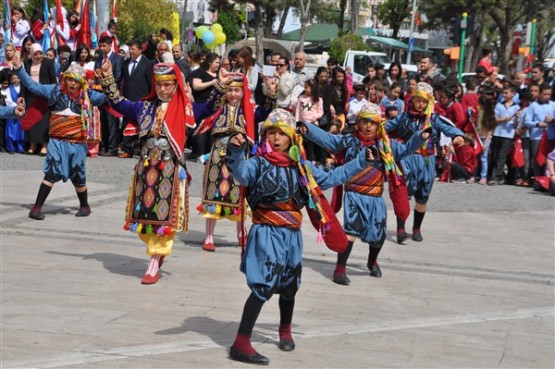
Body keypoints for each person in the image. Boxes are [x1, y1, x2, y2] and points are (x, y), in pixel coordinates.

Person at [226, 108, 381, 365]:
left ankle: (284, 330)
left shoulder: (301, 167)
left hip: (292, 235)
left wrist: (363, 160)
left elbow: (333, 176)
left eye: (281, 133)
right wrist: (233, 151)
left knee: (289, 285)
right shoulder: (257, 163)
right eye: (271, 132)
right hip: (266, 232)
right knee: (263, 286)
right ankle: (240, 343)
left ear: (291, 138)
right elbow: (239, 173)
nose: (275, 138)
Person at [301, 103, 431, 285]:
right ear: (358, 123)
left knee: (378, 235)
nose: (368, 126)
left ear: (379, 125)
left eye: (373, 122)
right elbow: (329, 140)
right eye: (365, 122)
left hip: (376, 195)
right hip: (354, 194)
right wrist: (307, 129)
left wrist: (420, 137)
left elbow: (407, 149)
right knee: (350, 232)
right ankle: (340, 269)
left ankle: (372, 261)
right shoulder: (349, 140)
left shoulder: (386, 144)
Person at [97, 60, 195, 285]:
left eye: (168, 84)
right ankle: (156, 253)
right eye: (159, 84)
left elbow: (208, 109)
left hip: (170, 168)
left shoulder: (184, 107)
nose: (162, 89)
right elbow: (119, 103)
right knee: (147, 216)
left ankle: (154, 261)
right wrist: (108, 78)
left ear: (175, 84)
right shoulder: (145, 107)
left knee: (164, 216)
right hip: (147, 167)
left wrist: (220, 86)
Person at [12, 55, 107, 220]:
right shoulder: (54, 90)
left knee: (78, 175)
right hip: (56, 141)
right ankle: (36, 208)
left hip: (77, 143)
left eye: (76, 81)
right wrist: (19, 68)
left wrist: (107, 79)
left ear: (81, 83)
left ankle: (84, 206)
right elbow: (33, 87)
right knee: (51, 173)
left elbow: (108, 98)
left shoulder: (89, 95)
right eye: (70, 79)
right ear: (65, 79)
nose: (72, 83)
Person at [192, 68, 276, 252]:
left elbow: (265, 111)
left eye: (237, 90)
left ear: (243, 91)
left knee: (240, 193)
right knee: (213, 192)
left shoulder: (249, 110)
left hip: (239, 156)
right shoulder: (217, 108)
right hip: (217, 153)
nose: (233, 94)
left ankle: (241, 233)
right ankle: (209, 236)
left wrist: (271, 93)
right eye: (229, 90)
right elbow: (205, 110)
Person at [385, 82, 464, 242]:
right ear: (412, 100)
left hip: (427, 161)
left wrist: (457, 135)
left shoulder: (434, 119)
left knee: (423, 196)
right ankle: (401, 229)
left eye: (424, 101)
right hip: (406, 159)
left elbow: (449, 128)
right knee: (403, 195)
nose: (420, 104)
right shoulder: (403, 117)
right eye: (417, 100)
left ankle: (416, 228)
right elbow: (385, 126)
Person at [118, 40, 154, 158]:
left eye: (133, 49)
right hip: (128, 99)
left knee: (143, 125)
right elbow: (122, 80)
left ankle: (143, 150)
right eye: (130, 49)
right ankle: (127, 149)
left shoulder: (147, 63)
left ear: (140, 50)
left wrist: (150, 98)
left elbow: (150, 82)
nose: (131, 51)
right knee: (127, 124)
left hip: (142, 100)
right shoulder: (126, 63)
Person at [21, 43, 57, 156]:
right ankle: (32, 145)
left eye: (40, 53)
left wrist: (54, 95)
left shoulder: (48, 63)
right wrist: (21, 95)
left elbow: (53, 81)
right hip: (31, 96)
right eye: (35, 54)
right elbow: (23, 81)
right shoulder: (27, 64)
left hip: (44, 96)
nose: (38, 56)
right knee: (32, 120)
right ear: (31, 54)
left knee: (44, 122)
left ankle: (44, 146)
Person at [489, 84, 519, 185]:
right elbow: (495, 119)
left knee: (502, 156)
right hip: (497, 133)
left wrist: (517, 119)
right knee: (495, 155)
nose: (504, 95)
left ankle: (495, 177)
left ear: (513, 94)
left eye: (506, 93)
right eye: (503, 93)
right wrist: (504, 119)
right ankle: (499, 175)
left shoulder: (516, 107)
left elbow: (515, 125)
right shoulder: (499, 105)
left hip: (508, 135)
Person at [3, 71, 25, 154]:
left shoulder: (23, 88)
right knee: (11, 130)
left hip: (22, 111)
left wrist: (22, 106)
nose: (16, 80)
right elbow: (7, 100)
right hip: (12, 111)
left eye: (17, 78)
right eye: (14, 78)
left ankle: (21, 147)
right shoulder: (9, 89)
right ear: (11, 80)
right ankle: (11, 147)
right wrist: (16, 106)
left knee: (21, 130)